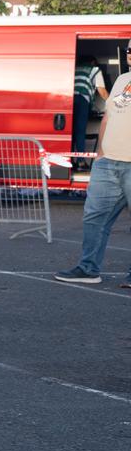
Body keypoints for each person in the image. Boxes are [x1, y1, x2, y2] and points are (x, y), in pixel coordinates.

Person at [56, 60, 131, 287]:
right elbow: (109, 116)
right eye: (130, 50)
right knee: (94, 218)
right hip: (108, 163)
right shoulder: (123, 80)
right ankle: (88, 269)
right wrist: (100, 154)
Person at [73, 55, 105, 157]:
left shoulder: (74, 68)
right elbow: (102, 91)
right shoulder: (94, 70)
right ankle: (81, 161)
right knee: (80, 130)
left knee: (71, 131)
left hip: (69, 100)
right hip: (82, 99)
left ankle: (71, 160)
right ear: (92, 62)